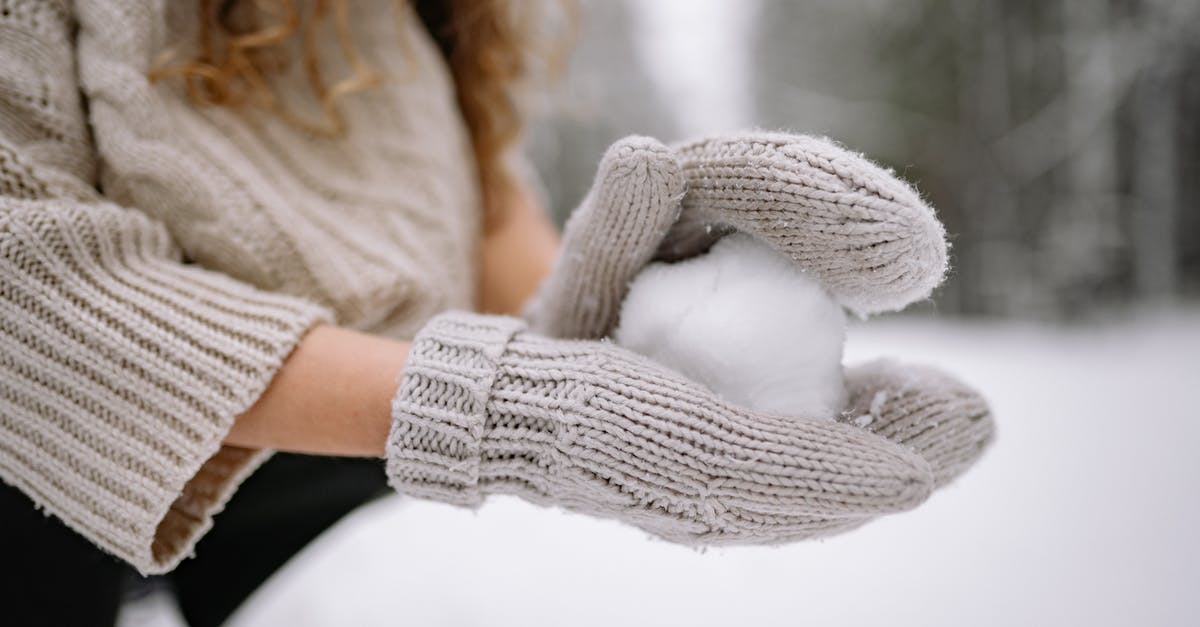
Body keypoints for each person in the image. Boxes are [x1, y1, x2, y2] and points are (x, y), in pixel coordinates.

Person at [0, 1, 994, 625]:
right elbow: (26, 276)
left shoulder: (433, 20)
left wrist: (625, 316)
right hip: (42, 459)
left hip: (324, 462)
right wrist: (510, 413)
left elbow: (505, 248)